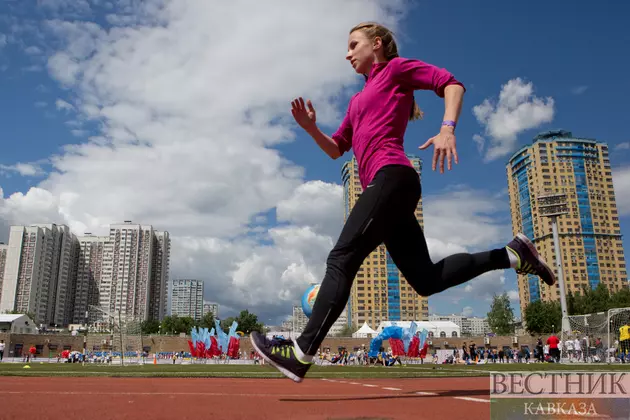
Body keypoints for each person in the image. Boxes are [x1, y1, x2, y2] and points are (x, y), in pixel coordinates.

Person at [250, 21, 555, 383]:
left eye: (353, 45)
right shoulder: (356, 100)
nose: (347, 54)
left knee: (341, 258)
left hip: (393, 177)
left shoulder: (396, 69)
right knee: (425, 280)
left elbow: (452, 83)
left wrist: (447, 129)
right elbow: (336, 149)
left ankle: (301, 352)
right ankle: (512, 254)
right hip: (387, 189)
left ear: (376, 44)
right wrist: (310, 128)